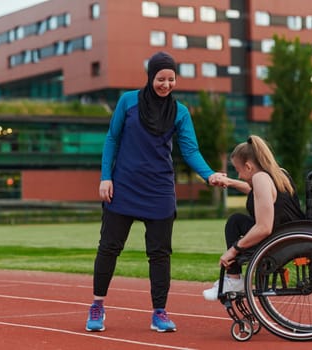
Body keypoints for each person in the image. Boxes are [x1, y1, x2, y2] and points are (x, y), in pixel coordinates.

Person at [85, 51, 225, 332]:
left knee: (160, 253)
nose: (166, 84)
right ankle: (98, 305)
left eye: (171, 79)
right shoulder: (128, 102)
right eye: (161, 78)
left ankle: (159, 312)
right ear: (150, 77)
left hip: (160, 189)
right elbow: (112, 139)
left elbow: (190, 150)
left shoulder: (180, 112)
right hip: (123, 186)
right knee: (109, 248)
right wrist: (105, 177)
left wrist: (209, 175)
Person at [202, 135, 306, 300]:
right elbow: (256, 191)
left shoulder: (260, 178)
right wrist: (230, 182)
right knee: (237, 220)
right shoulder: (277, 174)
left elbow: (264, 228)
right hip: (293, 235)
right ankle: (234, 278)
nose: (240, 176)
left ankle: (234, 279)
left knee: (235, 221)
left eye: (238, 170)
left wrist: (233, 250)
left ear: (249, 166)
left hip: (277, 240)